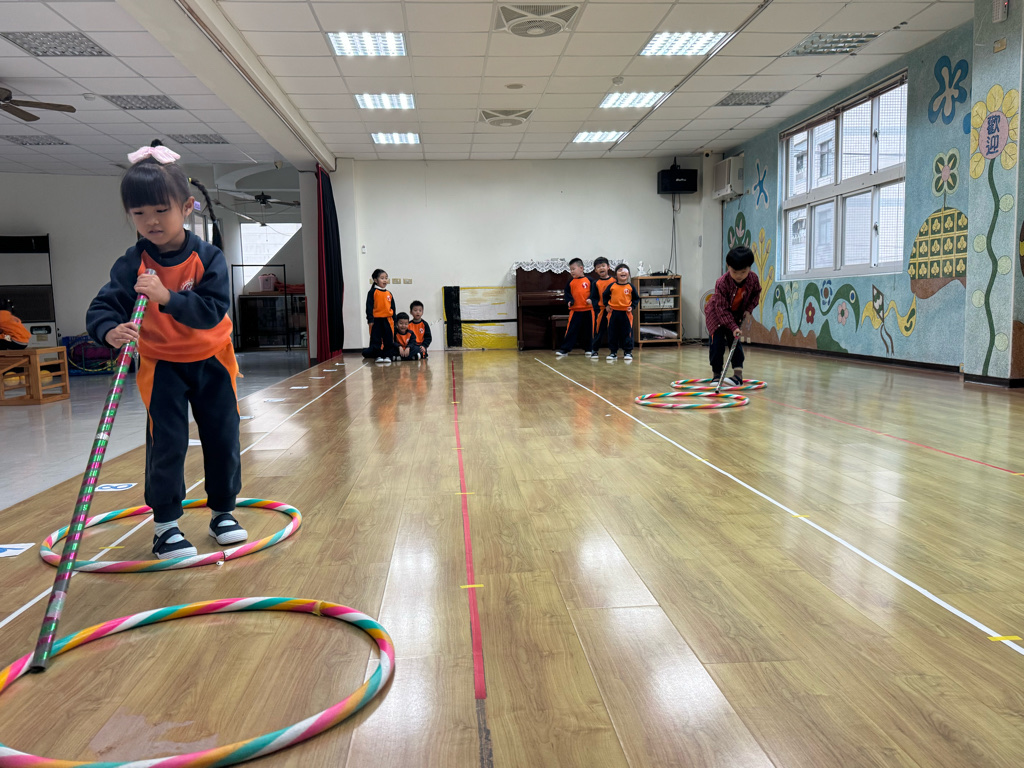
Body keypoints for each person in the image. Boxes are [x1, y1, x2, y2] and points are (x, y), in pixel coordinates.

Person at [86, 140, 245, 560]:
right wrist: (108, 331)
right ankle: (166, 527)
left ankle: (223, 512)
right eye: (139, 213)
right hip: (162, 366)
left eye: (161, 210)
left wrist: (166, 298)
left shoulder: (208, 258)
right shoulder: (132, 263)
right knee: (167, 443)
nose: (151, 221)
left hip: (213, 360)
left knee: (222, 437)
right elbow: (103, 306)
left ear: (187, 207)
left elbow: (211, 311)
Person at [704, 245, 761, 386]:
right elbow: (721, 309)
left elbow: (756, 295)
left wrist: (749, 309)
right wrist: (733, 326)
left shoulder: (753, 279)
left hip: (735, 315)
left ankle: (737, 376)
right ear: (728, 266)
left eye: (743, 272)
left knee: (735, 342)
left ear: (750, 268)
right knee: (716, 344)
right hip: (716, 315)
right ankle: (717, 375)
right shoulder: (722, 283)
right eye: (735, 272)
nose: (739, 275)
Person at [555, 257, 593, 357]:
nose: (571, 271)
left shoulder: (589, 280)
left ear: (581, 268)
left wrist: (591, 299)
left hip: (588, 310)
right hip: (575, 310)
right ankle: (565, 349)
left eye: (573, 269)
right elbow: (567, 294)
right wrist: (570, 301)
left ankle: (589, 348)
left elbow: (594, 292)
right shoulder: (570, 282)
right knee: (571, 330)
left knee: (588, 330)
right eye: (570, 269)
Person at [602, 264, 638, 361]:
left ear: (628, 274)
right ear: (616, 275)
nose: (622, 272)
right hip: (613, 313)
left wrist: (632, 306)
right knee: (613, 333)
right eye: (620, 270)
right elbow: (605, 296)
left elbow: (636, 298)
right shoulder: (612, 286)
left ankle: (628, 352)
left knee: (627, 332)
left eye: (625, 270)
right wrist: (607, 305)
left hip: (626, 313)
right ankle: (613, 352)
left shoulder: (630, 287)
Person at [364, 268, 396, 363]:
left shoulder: (389, 293)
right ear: (375, 280)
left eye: (386, 278)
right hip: (376, 320)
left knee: (388, 339)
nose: (385, 280)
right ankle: (378, 355)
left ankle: (388, 356)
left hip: (388, 320)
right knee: (376, 339)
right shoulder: (372, 292)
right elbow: (369, 307)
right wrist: (370, 320)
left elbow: (393, 308)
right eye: (382, 278)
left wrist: (395, 319)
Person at [587, 257, 615, 359]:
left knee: (613, 331)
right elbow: (594, 297)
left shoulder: (614, 281)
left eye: (603, 266)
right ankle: (594, 350)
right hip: (601, 310)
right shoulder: (596, 283)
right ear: (595, 270)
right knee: (598, 330)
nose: (601, 268)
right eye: (598, 267)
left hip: (613, 310)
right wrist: (597, 309)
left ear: (608, 267)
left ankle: (613, 351)